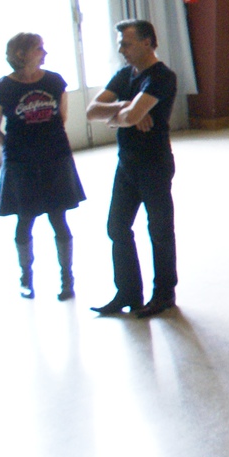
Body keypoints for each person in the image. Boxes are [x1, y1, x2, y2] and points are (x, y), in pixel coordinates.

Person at [85, 20, 178, 318]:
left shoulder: (162, 77)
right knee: (117, 227)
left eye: (126, 44)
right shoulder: (125, 75)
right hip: (127, 164)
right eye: (120, 45)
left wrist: (124, 115)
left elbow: (132, 116)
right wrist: (125, 108)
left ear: (147, 42)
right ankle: (128, 293)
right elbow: (91, 111)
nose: (121, 50)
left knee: (160, 231)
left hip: (154, 164)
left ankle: (164, 294)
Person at [0, 33, 85, 300]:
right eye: (38, 48)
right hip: (21, 163)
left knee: (59, 218)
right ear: (21, 54)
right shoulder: (3, 87)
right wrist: (11, 148)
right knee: (25, 218)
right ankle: (26, 278)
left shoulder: (54, 81)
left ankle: (67, 279)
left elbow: (61, 117)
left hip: (55, 157)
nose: (44, 53)